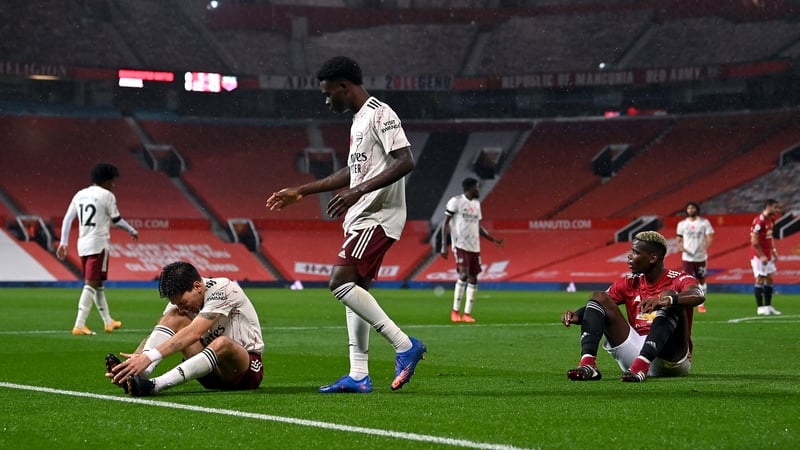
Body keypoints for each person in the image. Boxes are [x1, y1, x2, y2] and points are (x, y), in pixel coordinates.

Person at [265, 56, 426, 394]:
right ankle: (358, 375)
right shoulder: (358, 121)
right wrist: (302, 191)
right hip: (362, 215)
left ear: (344, 86)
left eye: (328, 94)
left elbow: (406, 160)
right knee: (355, 290)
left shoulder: (381, 113)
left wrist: (358, 191)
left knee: (339, 282)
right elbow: (353, 171)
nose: (327, 101)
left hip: (377, 215)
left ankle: (404, 344)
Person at [561, 231, 705, 382]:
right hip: (636, 352)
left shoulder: (679, 279)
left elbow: (698, 294)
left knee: (669, 295)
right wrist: (578, 315)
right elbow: (600, 306)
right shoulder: (630, 282)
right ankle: (588, 365)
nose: (629, 257)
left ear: (652, 258)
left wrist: (667, 300)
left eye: (636, 252)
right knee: (598, 297)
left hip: (670, 358)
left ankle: (642, 364)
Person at [105, 261, 264, 397]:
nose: (181, 308)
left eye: (183, 303)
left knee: (222, 343)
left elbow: (194, 333)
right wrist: (134, 363)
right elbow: (160, 336)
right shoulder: (180, 305)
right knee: (174, 316)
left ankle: (155, 385)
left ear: (197, 286)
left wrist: (148, 357)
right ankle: (139, 376)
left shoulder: (224, 289)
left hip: (244, 373)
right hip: (208, 371)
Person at [56, 162, 138, 335]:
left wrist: (64, 243)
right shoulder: (107, 195)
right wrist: (131, 230)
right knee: (91, 283)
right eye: (112, 181)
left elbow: (67, 219)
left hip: (83, 243)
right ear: (106, 180)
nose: (113, 185)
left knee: (98, 283)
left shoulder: (80, 194)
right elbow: (116, 220)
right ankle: (79, 324)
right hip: (99, 244)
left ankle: (108, 321)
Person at [440, 177, 504, 322]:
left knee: (473, 278)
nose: (478, 189)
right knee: (463, 275)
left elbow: (477, 226)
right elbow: (445, 223)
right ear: (470, 188)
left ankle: (467, 314)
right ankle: (455, 311)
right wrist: (444, 245)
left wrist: (492, 239)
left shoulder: (476, 204)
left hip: (474, 247)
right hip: (460, 244)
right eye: (477, 187)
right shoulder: (456, 201)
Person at [675, 201, 714, 313]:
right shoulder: (682, 224)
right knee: (686, 279)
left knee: (701, 279)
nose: (691, 210)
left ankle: (701, 304)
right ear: (686, 210)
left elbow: (710, 237)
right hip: (687, 257)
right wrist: (681, 247)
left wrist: (705, 247)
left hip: (700, 257)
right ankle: (686, 302)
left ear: (696, 209)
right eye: (689, 208)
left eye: (692, 208)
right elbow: (678, 239)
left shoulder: (704, 223)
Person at [750, 198, 782, 316]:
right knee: (760, 278)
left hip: (768, 254)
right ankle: (760, 308)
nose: (777, 210)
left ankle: (768, 306)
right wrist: (761, 255)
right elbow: (754, 240)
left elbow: (770, 237)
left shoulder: (771, 219)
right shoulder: (760, 221)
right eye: (775, 207)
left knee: (770, 278)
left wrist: (774, 251)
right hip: (758, 255)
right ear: (768, 207)